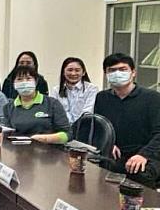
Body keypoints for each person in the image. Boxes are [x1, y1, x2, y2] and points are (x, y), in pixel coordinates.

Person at [0, 64, 70, 210]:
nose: (24, 82)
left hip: (48, 158)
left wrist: (46, 138)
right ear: (13, 84)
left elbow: (67, 134)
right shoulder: (10, 106)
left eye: (28, 78)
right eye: (19, 79)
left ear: (36, 81)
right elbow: (7, 132)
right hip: (18, 155)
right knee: (3, 172)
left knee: (31, 182)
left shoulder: (51, 103)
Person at [94, 53, 160, 188]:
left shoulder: (152, 98)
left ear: (133, 72)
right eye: (112, 70)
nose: (117, 73)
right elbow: (99, 127)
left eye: (123, 69)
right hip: (114, 154)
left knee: (139, 175)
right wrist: (109, 143)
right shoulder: (102, 98)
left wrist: (143, 155)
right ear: (106, 74)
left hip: (145, 154)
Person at [50, 57, 99, 124]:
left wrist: (75, 125)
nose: (73, 73)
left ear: (83, 72)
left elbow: (88, 112)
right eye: (70, 70)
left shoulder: (91, 89)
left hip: (84, 126)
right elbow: (56, 112)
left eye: (77, 70)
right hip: (62, 126)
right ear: (63, 72)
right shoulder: (56, 90)